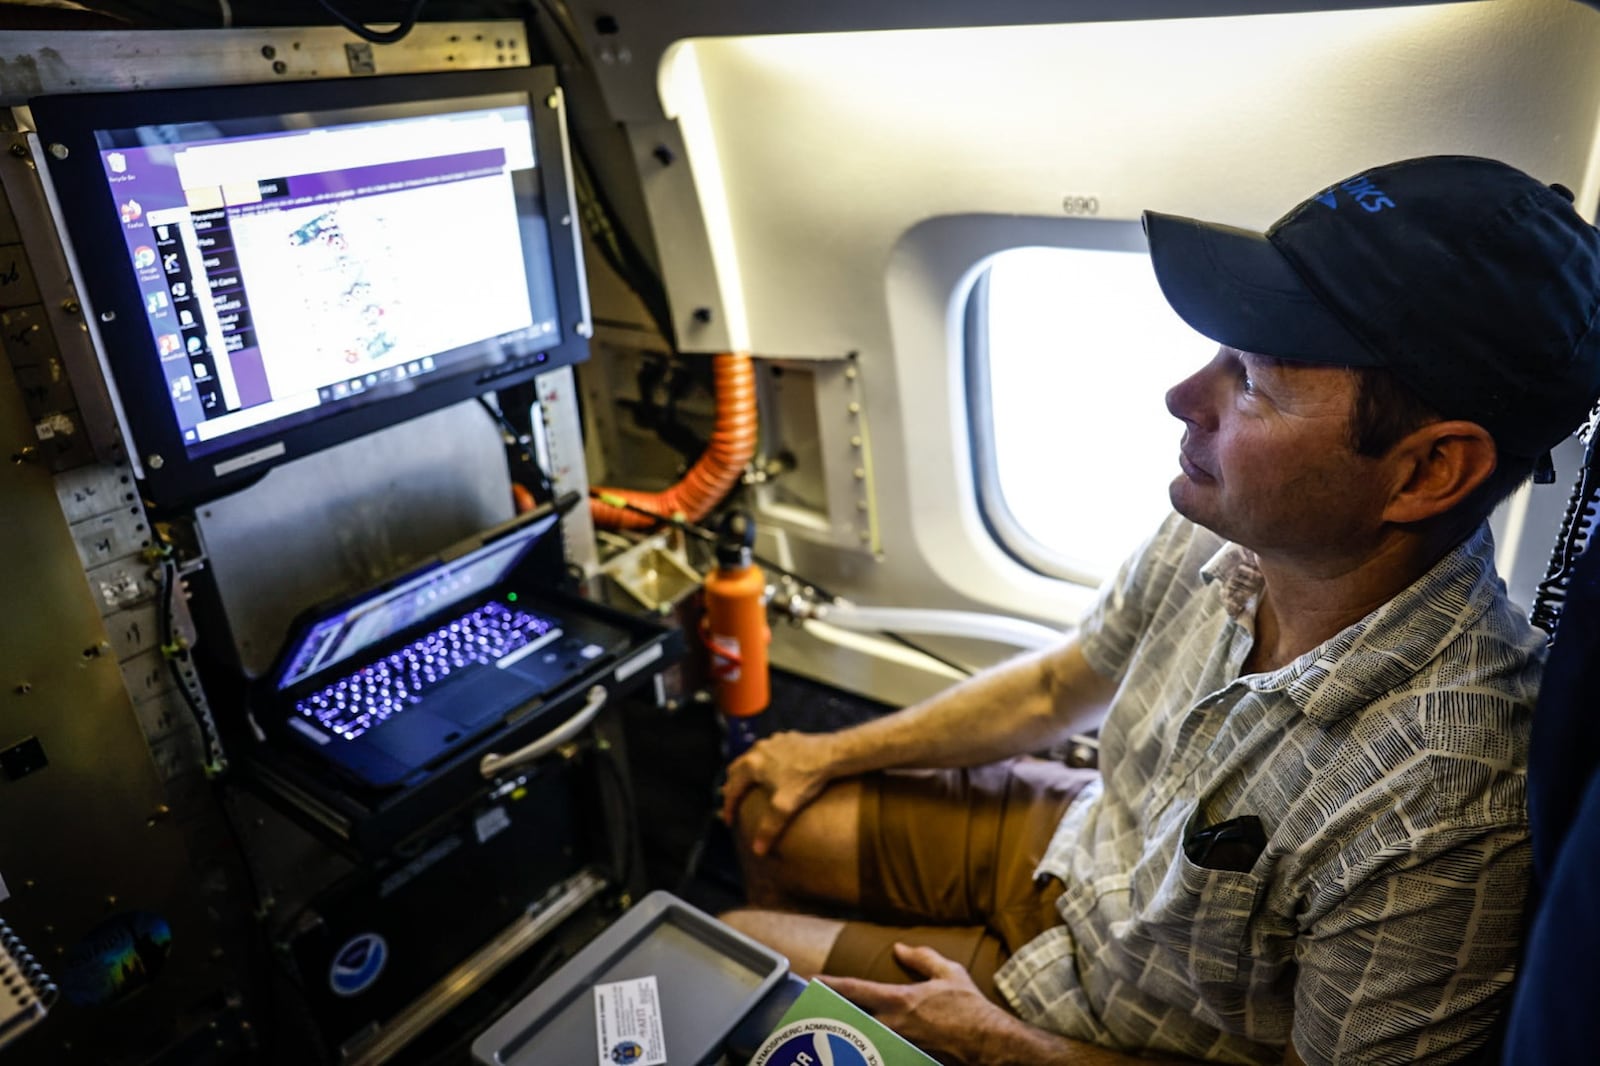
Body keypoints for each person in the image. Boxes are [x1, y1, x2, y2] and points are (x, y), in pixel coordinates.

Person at [719, 156, 1600, 1066]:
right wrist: (829, 749)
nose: (1183, 398)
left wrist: (1001, 1046)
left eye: (1253, 378)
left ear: (1426, 470)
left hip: (1111, 1018)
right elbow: (1056, 689)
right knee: (766, 808)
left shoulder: (1447, 793)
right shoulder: (1229, 524)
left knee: (740, 947)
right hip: (1083, 846)